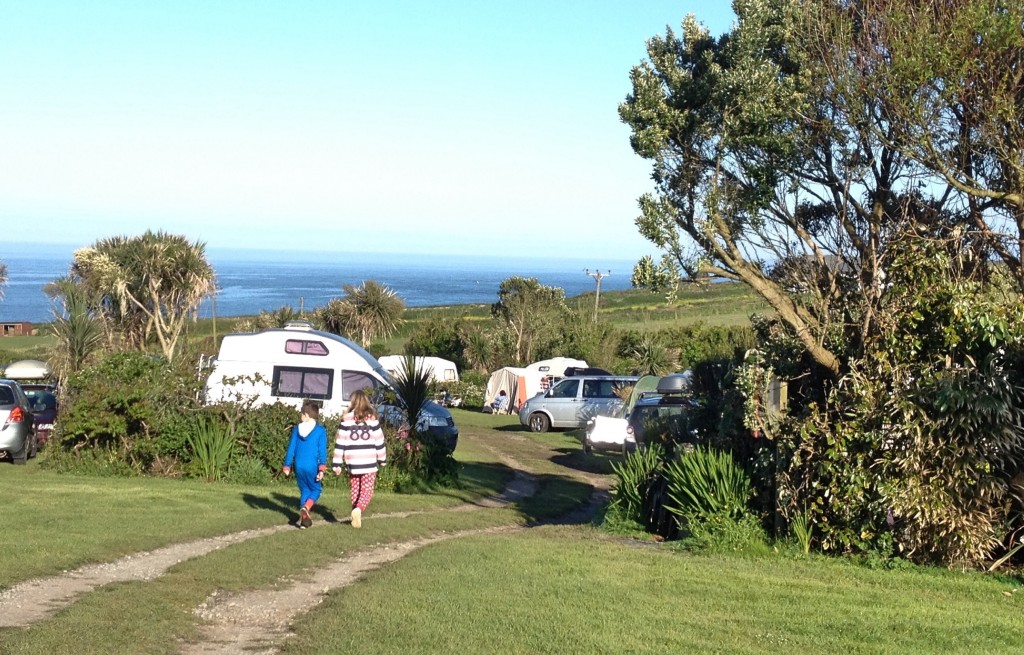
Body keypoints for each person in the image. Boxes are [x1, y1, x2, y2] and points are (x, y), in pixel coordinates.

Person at [332, 390, 387, 528]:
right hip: (368, 462)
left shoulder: (346, 420)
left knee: (355, 489)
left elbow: (340, 443)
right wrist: (382, 459)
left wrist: (337, 463)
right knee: (367, 490)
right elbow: (379, 441)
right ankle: (358, 510)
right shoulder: (372, 420)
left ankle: (354, 513)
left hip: (352, 462)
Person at [281, 400, 328, 529]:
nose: (300, 416)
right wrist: (322, 468)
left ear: (307, 415)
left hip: (298, 465)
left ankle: (304, 521)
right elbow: (322, 451)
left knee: (305, 490)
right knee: (316, 489)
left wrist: (287, 465)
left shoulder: (297, 429)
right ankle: (306, 507)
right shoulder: (320, 431)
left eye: (302, 414)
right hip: (312, 465)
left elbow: (292, 448)